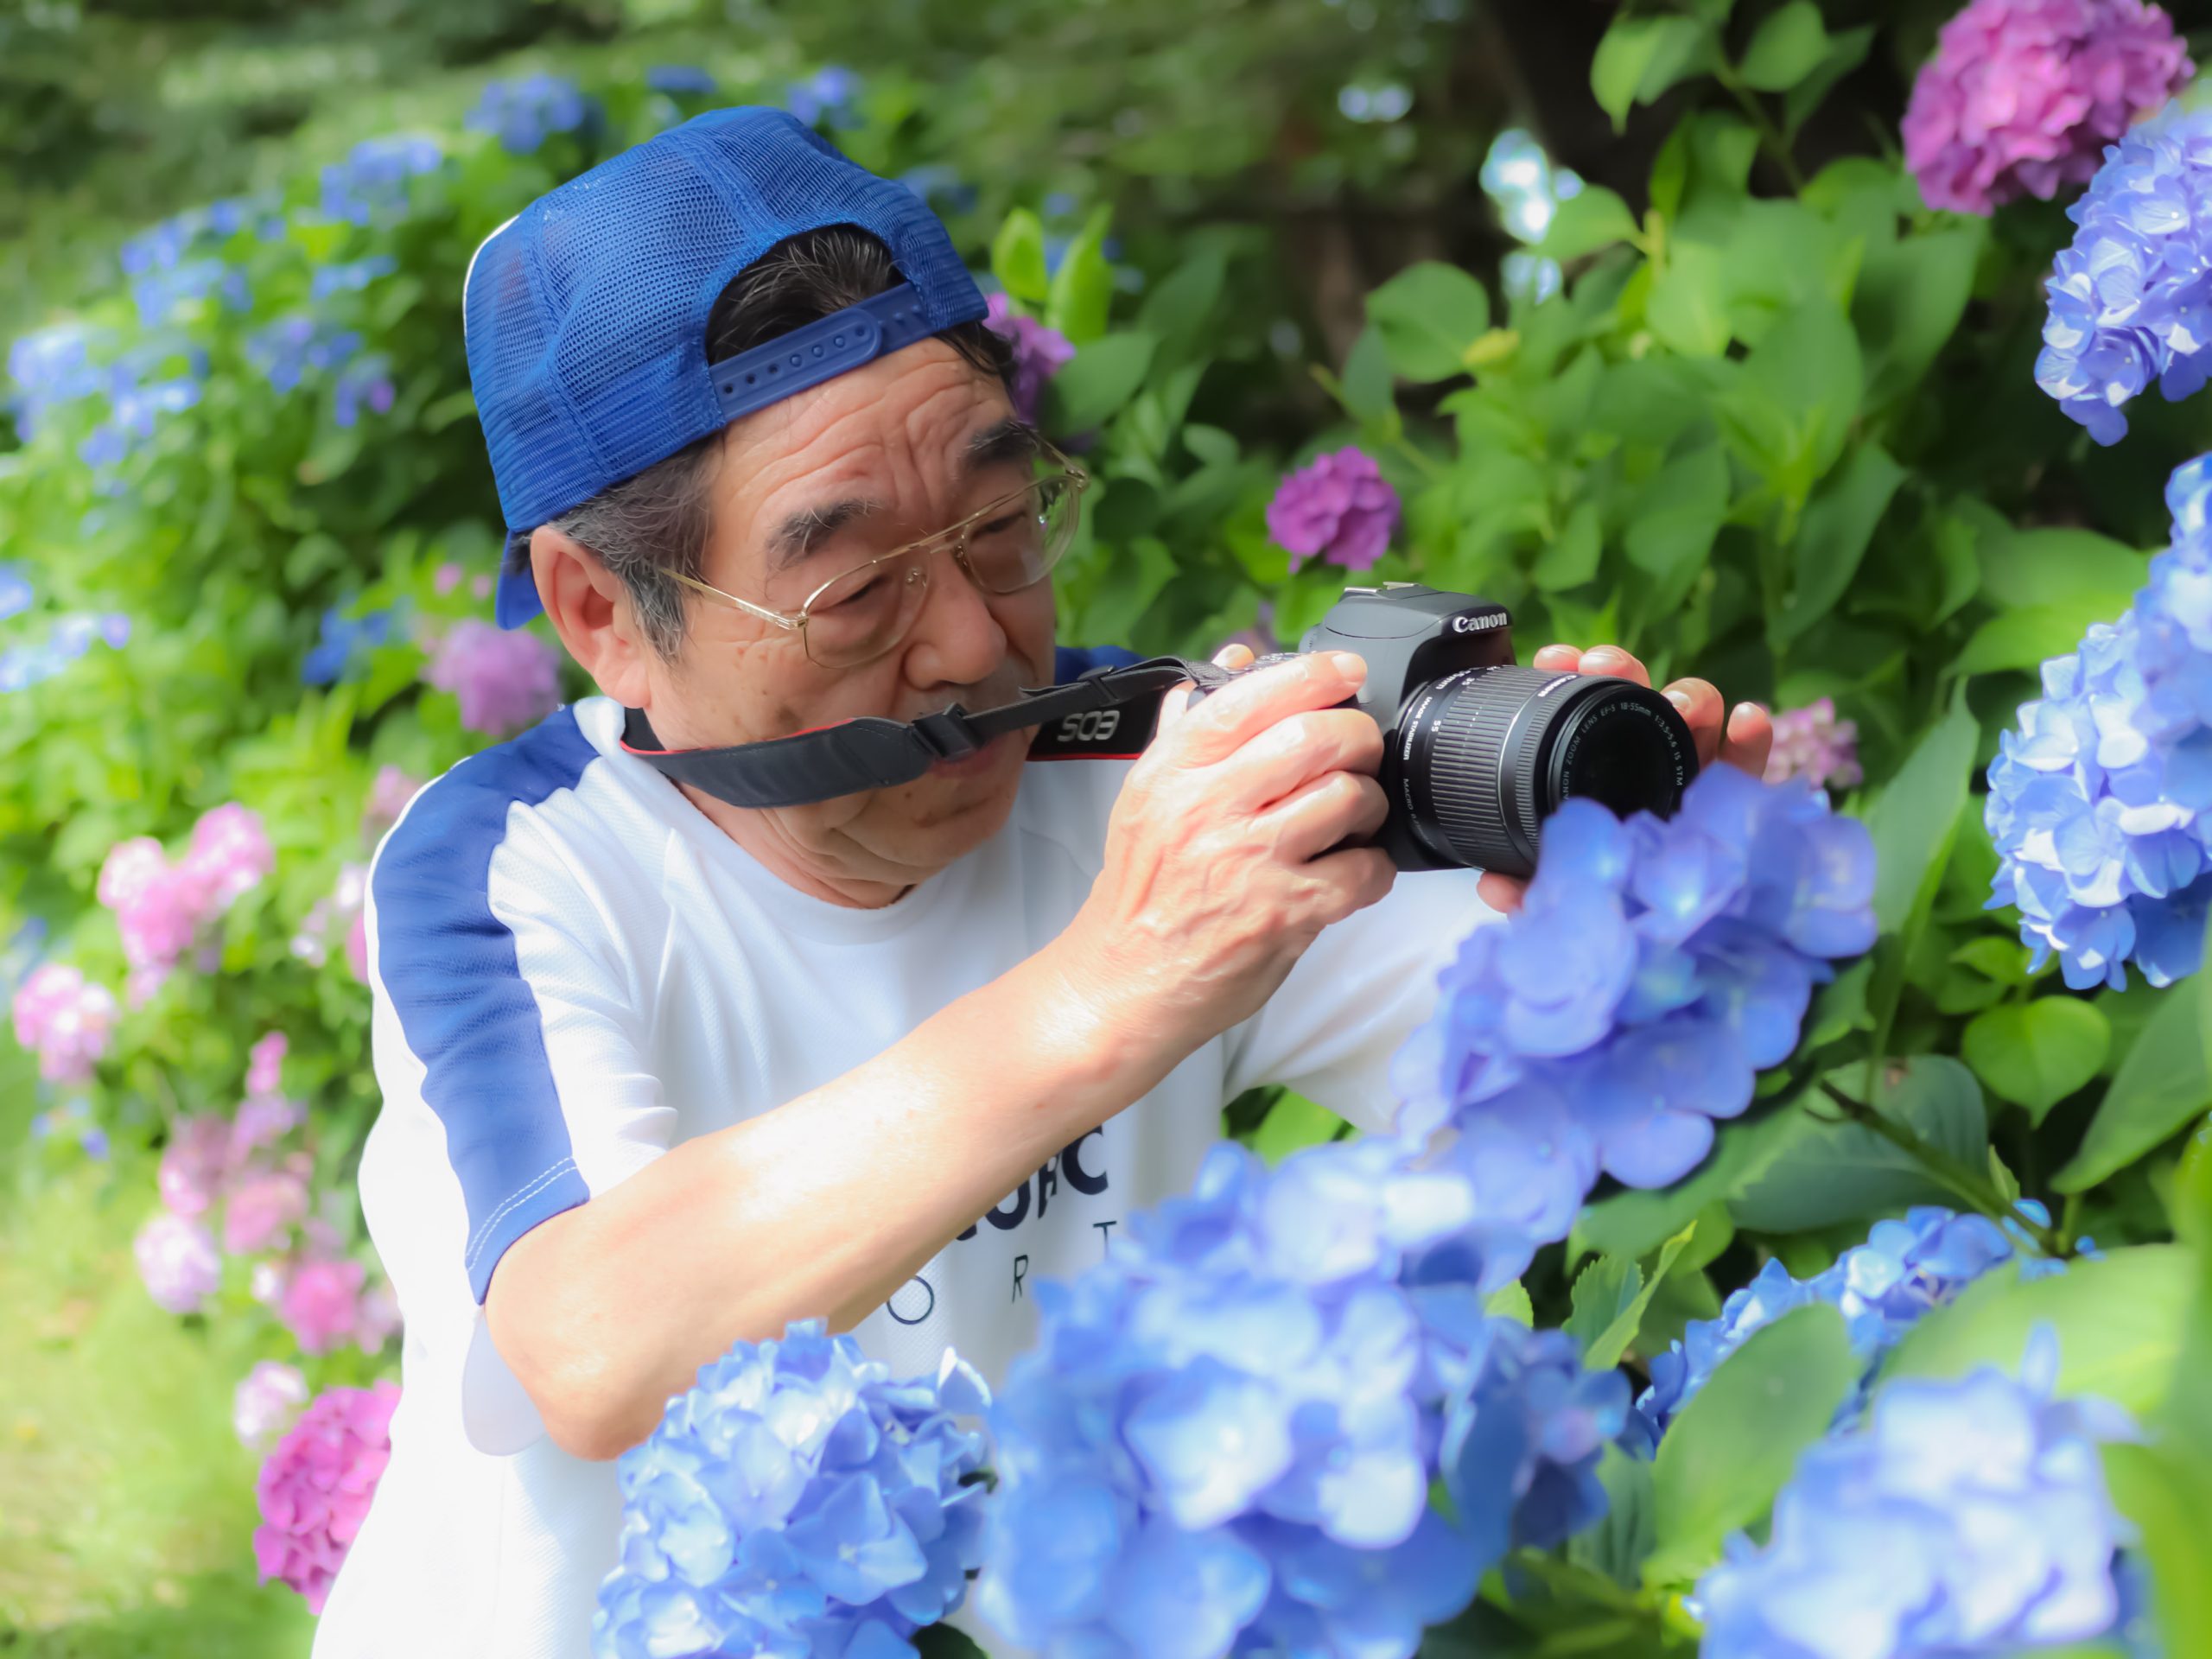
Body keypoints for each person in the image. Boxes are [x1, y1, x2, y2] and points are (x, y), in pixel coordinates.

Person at [312, 106, 1772, 1657]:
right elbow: (592, 1338)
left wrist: (1646, 916)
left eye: (1000, 529)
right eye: (856, 586)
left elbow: (1556, 1106)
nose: (967, 643)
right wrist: (1118, 984)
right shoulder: (523, 864)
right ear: (599, 610)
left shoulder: (1144, 761)